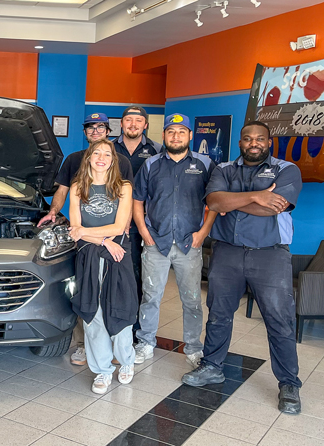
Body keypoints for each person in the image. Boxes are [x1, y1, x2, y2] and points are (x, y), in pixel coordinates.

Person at [182, 121, 303, 415]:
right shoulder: (223, 169)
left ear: (268, 142)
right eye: (247, 139)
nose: (253, 143)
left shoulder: (286, 170)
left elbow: (273, 207)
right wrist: (255, 195)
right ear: (240, 143)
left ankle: (289, 383)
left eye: (259, 139)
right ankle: (212, 366)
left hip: (270, 256)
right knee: (219, 314)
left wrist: (232, 202)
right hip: (227, 253)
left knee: (279, 320)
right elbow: (213, 201)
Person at [37, 112, 134, 367]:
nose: (95, 131)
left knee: (116, 297)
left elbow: (123, 212)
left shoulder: (122, 162)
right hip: (89, 245)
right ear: (85, 133)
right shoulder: (74, 162)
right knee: (86, 296)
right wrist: (53, 213)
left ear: (108, 131)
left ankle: (119, 351)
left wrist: (113, 235)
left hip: (115, 242)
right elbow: (63, 191)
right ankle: (84, 346)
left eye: (100, 127)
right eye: (90, 127)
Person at [132, 113, 217, 368]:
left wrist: (203, 233)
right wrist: (144, 233)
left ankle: (193, 347)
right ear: (164, 135)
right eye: (171, 132)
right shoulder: (151, 165)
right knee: (150, 296)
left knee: (191, 299)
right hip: (155, 241)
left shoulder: (204, 164)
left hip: (189, 244)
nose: (176, 136)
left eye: (181, 131)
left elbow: (215, 201)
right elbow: (137, 201)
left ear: (190, 135)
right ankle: (145, 343)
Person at [68, 139, 138, 395]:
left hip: (117, 255)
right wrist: (104, 241)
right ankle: (102, 370)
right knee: (92, 312)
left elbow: (119, 227)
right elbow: (75, 231)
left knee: (120, 307)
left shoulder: (123, 187)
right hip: (90, 255)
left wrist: (97, 236)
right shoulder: (78, 187)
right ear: (88, 158)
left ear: (112, 160)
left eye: (106, 154)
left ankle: (126, 362)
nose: (101, 157)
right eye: (96, 153)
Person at [113, 106, 163, 334]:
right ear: (121, 124)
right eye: (128, 120)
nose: (133, 124)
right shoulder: (108, 149)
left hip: (144, 225)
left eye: (138, 120)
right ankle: (112, 323)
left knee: (141, 277)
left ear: (146, 125)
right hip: (111, 223)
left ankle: (135, 329)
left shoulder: (157, 151)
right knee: (113, 275)